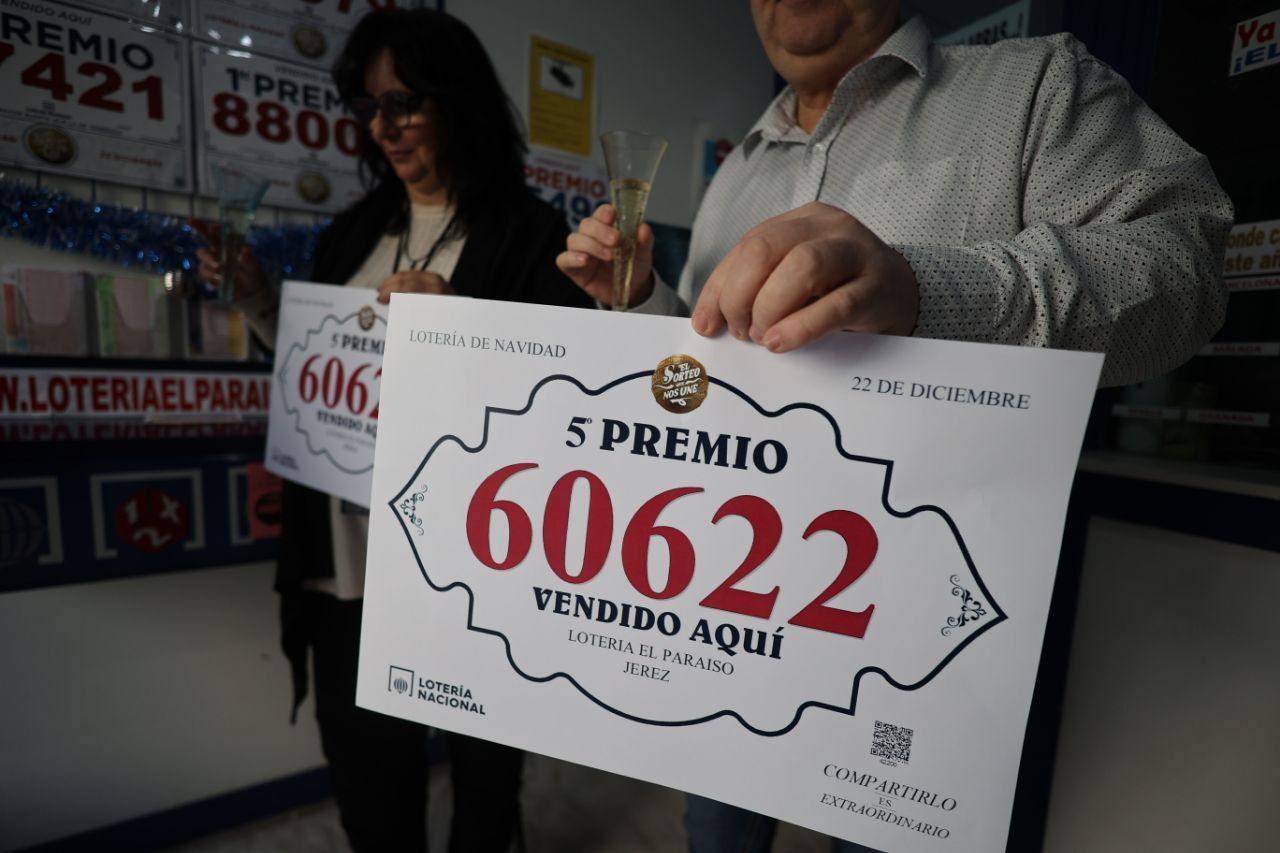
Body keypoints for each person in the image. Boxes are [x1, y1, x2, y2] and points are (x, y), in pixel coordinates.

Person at [557, 1, 1232, 851]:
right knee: (717, 831)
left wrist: (925, 290)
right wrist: (650, 299)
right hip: (726, 603)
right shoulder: (738, 168)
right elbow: (707, 371)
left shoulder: (1036, 87)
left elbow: (1185, 274)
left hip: (911, 644)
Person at [197, 8, 591, 852]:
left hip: (473, 570)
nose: (384, 127)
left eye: (405, 102)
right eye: (370, 108)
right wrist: (261, 301)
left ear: (460, 102)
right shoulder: (351, 231)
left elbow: (568, 404)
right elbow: (324, 368)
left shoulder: (531, 235)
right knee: (370, 783)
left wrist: (463, 326)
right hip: (350, 565)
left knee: (487, 786)